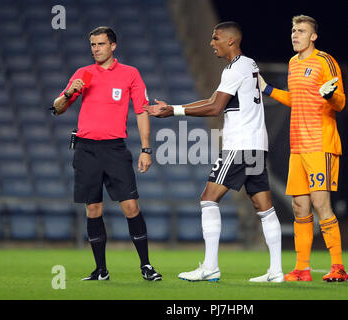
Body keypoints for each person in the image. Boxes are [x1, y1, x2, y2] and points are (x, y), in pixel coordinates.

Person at [146, 21, 283, 283]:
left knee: (208, 199)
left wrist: (173, 110)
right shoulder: (249, 64)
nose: (212, 43)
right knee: (263, 207)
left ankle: (210, 267)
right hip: (256, 144)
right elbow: (212, 101)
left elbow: (214, 107)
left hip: (239, 144)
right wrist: (174, 108)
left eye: (216, 38)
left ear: (231, 40)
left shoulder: (235, 69)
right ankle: (276, 271)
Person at [52, 26, 162, 281]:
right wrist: (69, 92)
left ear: (113, 46)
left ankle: (146, 265)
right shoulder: (83, 74)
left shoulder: (130, 74)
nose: (96, 49)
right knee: (93, 209)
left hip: (114, 148)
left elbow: (142, 111)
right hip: (86, 149)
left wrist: (146, 149)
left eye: (101, 44)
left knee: (131, 206)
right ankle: (101, 270)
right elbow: (57, 108)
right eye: (93, 44)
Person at [259, 15, 348, 282]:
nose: (295, 35)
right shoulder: (292, 63)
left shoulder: (325, 61)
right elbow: (295, 99)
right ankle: (302, 269)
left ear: (313, 36)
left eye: (301, 31)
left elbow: (341, 102)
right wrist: (267, 89)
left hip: (320, 144)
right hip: (297, 148)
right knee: (300, 207)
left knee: (321, 204)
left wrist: (329, 94)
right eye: (293, 30)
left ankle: (339, 267)